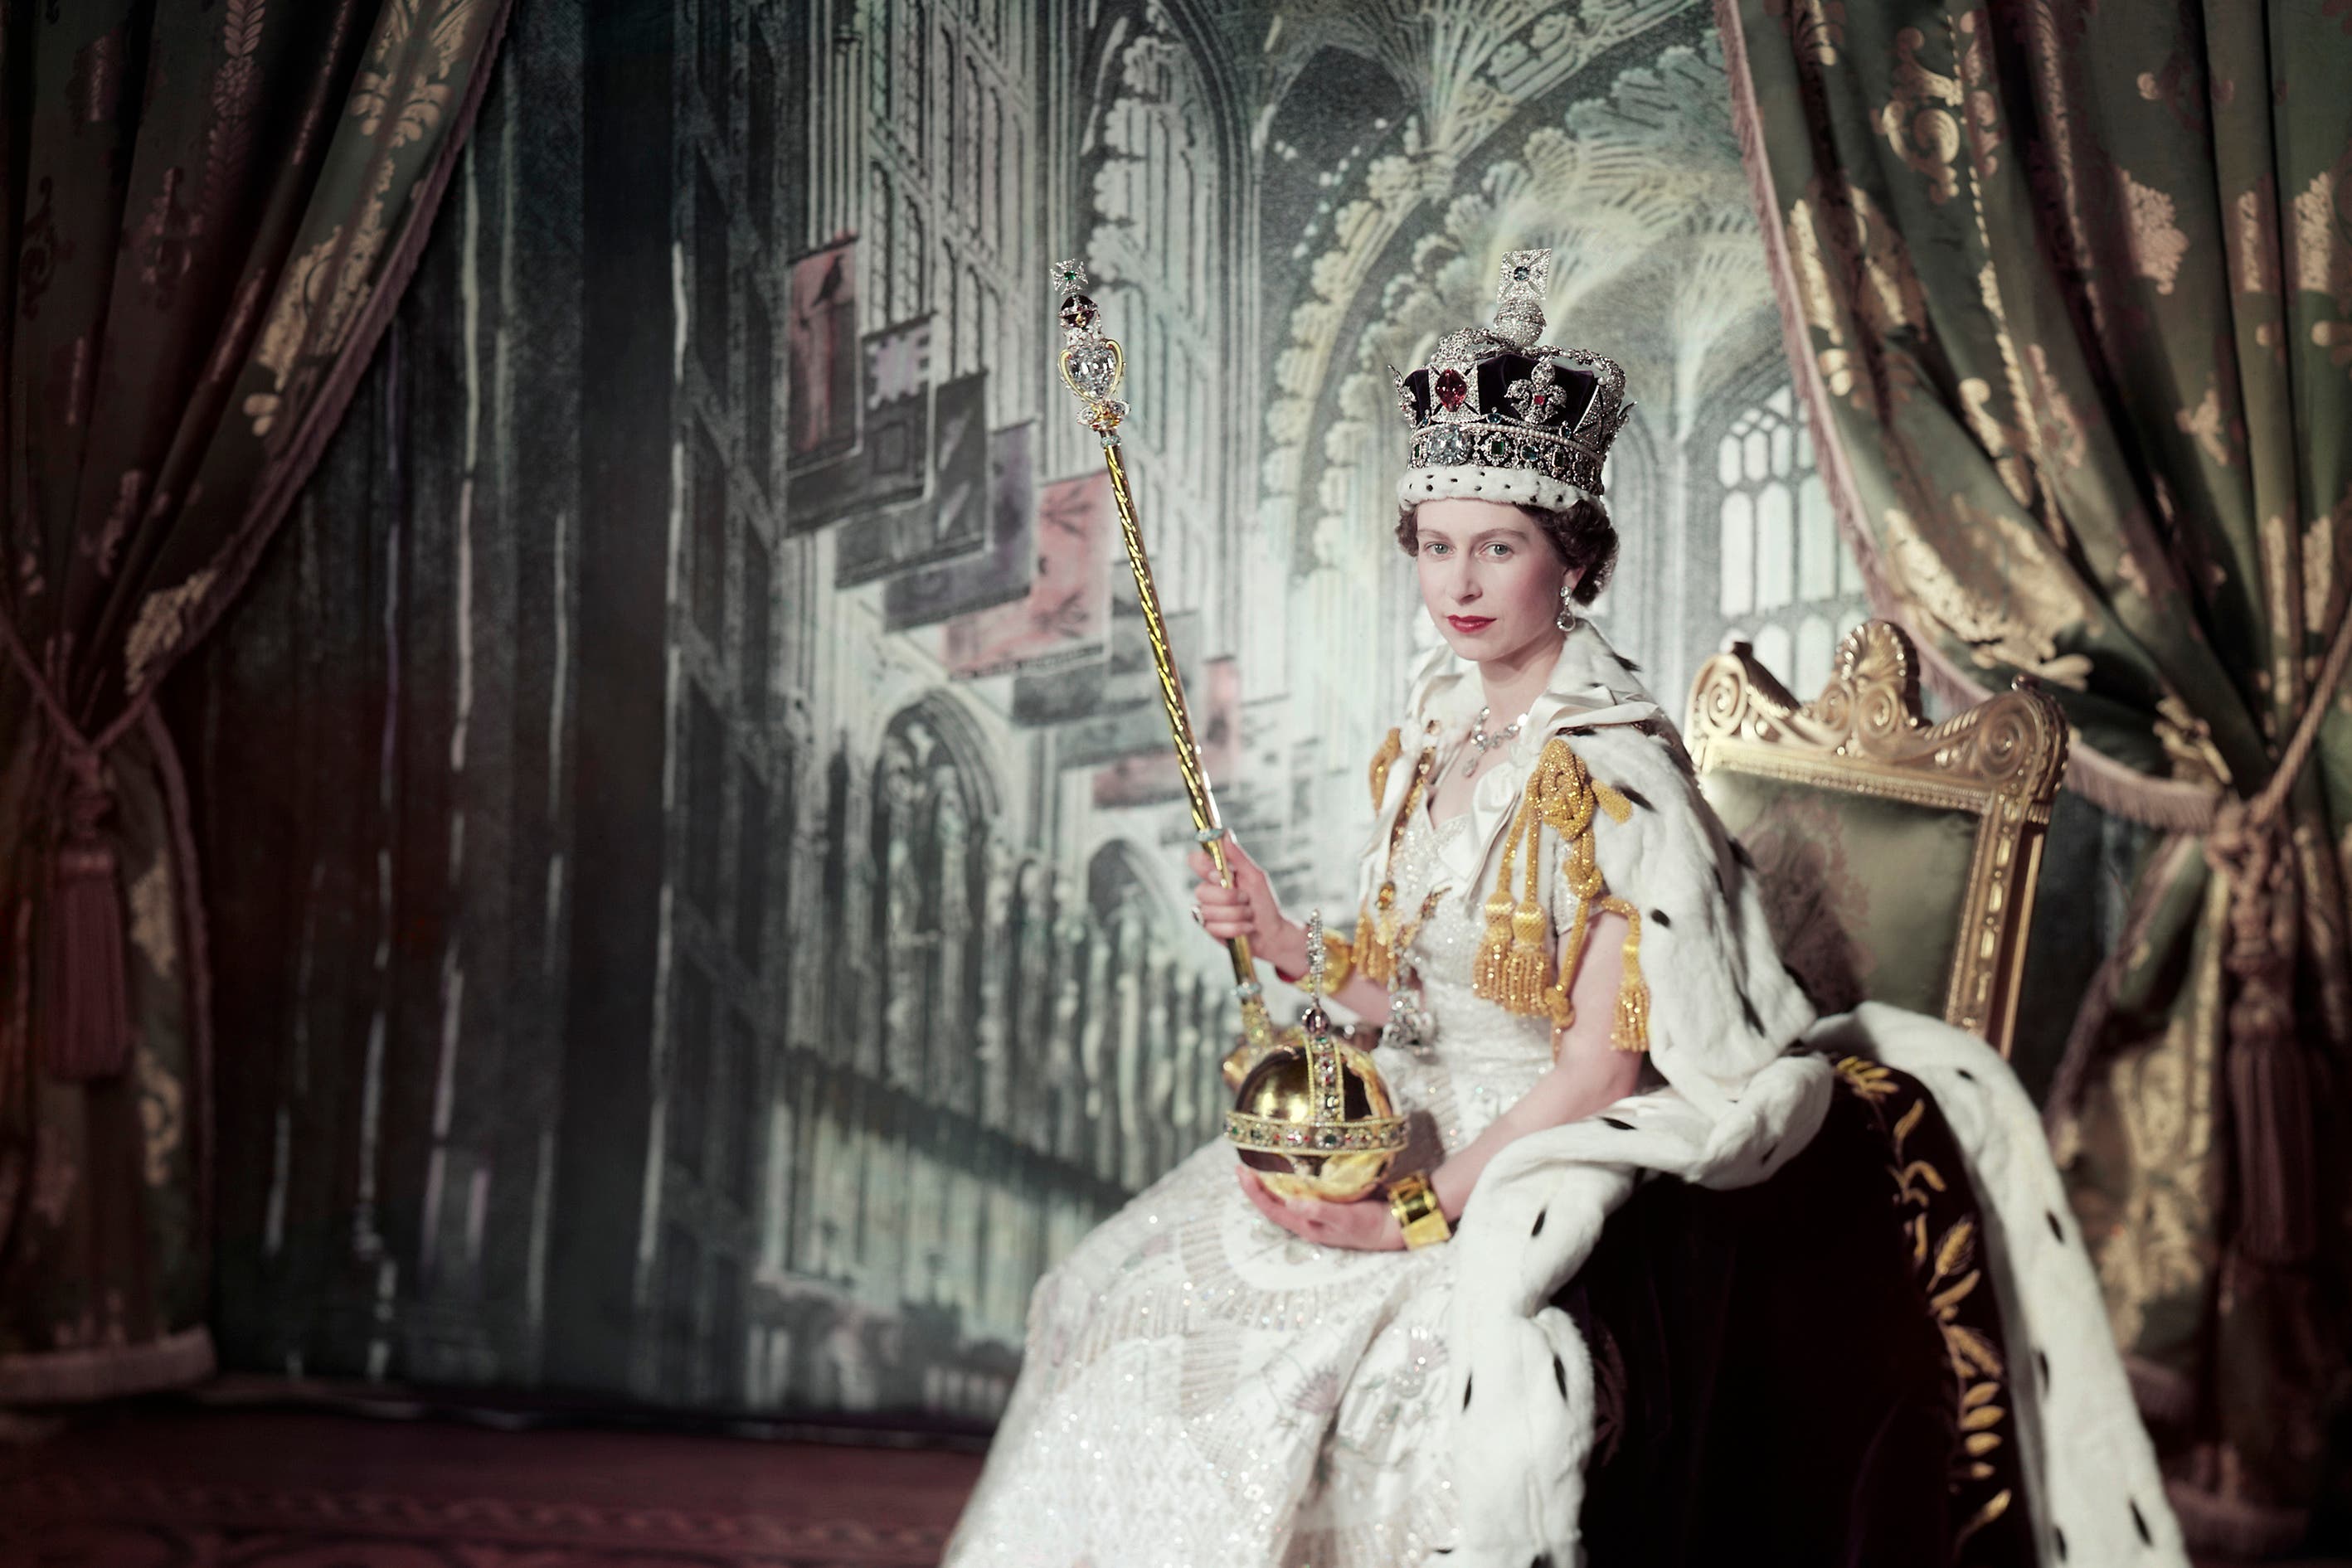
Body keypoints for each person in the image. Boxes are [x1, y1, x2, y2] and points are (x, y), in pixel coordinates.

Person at [943, 252, 2179, 1568]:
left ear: (1570, 562)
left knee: (1367, 1396)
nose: (1460, 583)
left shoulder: (1615, 780)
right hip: (1399, 1102)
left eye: (1499, 547)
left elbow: (1596, 1073)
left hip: (1534, 1154)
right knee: (1112, 1296)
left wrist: (1408, 1215)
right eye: (1435, 545)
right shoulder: (1434, 729)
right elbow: (1403, 988)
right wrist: (1284, 940)